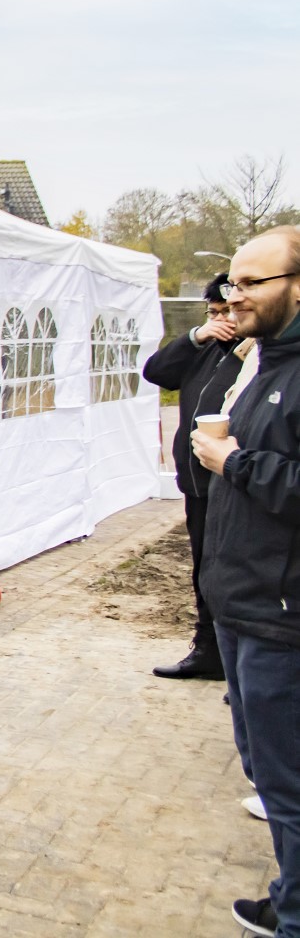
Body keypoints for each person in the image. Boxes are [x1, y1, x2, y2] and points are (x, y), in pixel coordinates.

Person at [189, 227, 300, 938]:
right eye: (233, 282)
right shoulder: (267, 360)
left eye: (253, 282)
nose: (237, 295)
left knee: (289, 787)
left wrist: (235, 464)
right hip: (242, 600)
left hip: (280, 612)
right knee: (269, 772)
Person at [140, 274, 239, 681]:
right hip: (197, 482)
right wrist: (197, 336)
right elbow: (156, 371)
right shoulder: (206, 349)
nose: (221, 321)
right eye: (213, 313)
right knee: (203, 569)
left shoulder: (258, 355)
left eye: (226, 312)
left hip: (234, 483)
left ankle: (238, 662)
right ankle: (207, 650)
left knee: (234, 572)